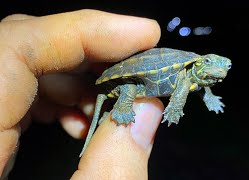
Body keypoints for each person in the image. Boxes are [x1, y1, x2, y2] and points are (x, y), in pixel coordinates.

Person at [0, 9, 163, 179]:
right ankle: (120, 111)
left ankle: (109, 114)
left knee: (119, 94)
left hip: (117, 84)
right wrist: (124, 108)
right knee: (128, 90)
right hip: (122, 84)